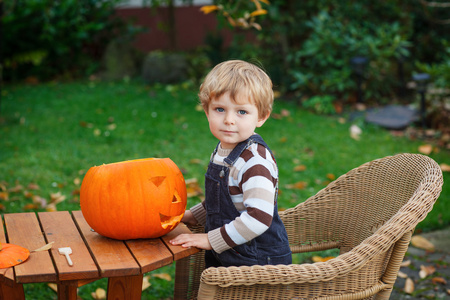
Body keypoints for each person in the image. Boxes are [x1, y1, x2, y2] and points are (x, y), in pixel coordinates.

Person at [169, 60, 292, 268]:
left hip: (258, 261)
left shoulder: (254, 162)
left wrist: (209, 239)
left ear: (261, 117)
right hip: (231, 250)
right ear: (207, 111)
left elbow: (259, 217)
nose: (229, 120)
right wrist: (194, 216)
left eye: (241, 112)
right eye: (219, 109)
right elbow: (223, 200)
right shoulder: (223, 149)